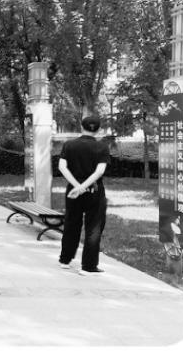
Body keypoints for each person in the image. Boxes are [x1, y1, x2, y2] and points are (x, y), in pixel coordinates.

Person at [58, 115, 110, 275]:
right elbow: (99, 171)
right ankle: (88, 266)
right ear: (99, 130)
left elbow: (62, 167)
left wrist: (77, 186)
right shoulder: (102, 147)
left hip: (73, 190)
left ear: (81, 127)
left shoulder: (69, 145)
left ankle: (65, 260)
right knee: (94, 227)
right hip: (94, 190)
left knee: (71, 223)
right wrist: (84, 187)